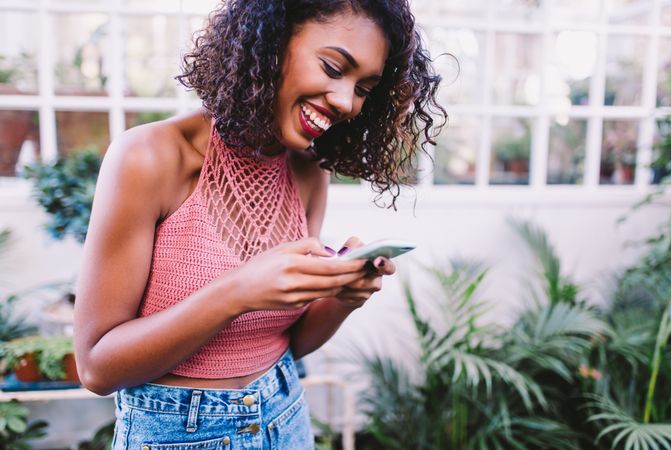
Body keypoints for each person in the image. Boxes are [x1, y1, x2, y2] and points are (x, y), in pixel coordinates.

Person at [73, 0, 447, 448]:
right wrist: (239, 291)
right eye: (332, 67)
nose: (347, 102)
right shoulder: (149, 158)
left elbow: (290, 342)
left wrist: (343, 297)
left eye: (364, 89)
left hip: (284, 417)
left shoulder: (309, 172)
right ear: (271, 42)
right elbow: (97, 367)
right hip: (177, 431)